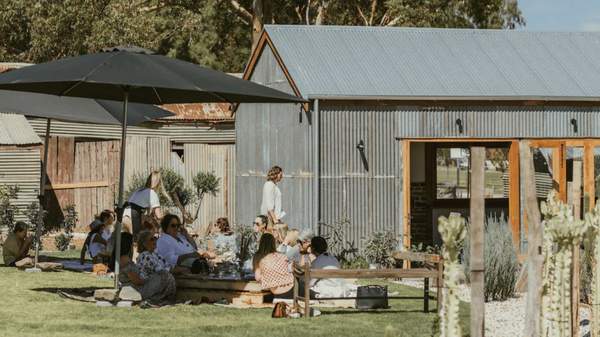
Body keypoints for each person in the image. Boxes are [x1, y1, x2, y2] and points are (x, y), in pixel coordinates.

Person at [117, 232, 176, 305]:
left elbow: (166, 265)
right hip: (138, 288)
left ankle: (162, 298)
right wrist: (147, 280)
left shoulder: (154, 254)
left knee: (167, 275)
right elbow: (137, 280)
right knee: (166, 276)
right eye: (152, 239)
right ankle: (160, 299)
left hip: (142, 284)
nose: (154, 241)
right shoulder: (142, 257)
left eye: (155, 238)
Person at [122, 170, 164, 238]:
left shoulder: (139, 190)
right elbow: (159, 216)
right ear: (158, 183)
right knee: (136, 242)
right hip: (132, 217)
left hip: (123, 216)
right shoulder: (152, 193)